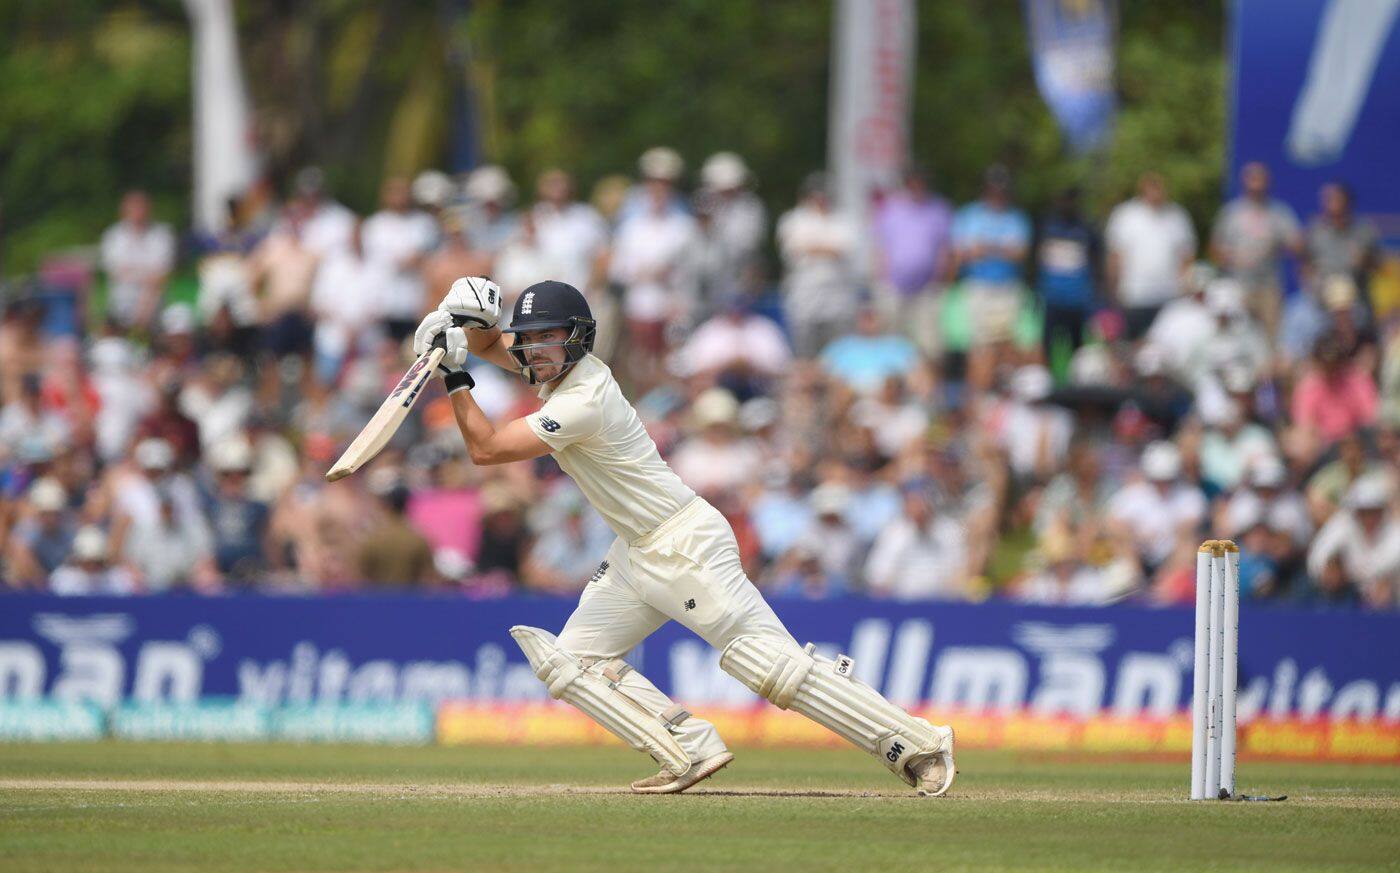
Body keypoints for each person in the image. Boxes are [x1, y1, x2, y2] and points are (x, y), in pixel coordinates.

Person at [411, 277, 956, 796]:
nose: (534, 353)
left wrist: (455, 376)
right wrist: (460, 326)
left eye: (547, 340)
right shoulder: (555, 375)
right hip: (635, 551)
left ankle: (919, 747)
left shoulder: (585, 398)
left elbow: (487, 448)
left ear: (577, 339)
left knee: (769, 665)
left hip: (683, 543)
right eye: (528, 342)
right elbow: (499, 349)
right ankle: (687, 747)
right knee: (572, 662)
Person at [1210, 162, 1303, 339]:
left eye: (1260, 179)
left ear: (1268, 182)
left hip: (1268, 286)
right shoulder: (1231, 213)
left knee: (1272, 337)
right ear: (1244, 182)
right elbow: (1215, 248)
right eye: (1252, 179)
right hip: (1238, 285)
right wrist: (1232, 258)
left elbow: (1297, 246)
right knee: (1237, 334)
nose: (1256, 184)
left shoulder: (1279, 212)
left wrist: (1279, 246)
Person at [1104, 172, 1197, 338]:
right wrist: (1113, 289)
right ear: (1143, 190)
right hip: (1134, 295)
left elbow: (1187, 257)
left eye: (1159, 188)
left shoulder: (1177, 216)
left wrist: (1186, 289)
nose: (1156, 193)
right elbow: (1115, 256)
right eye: (1151, 188)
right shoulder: (1126, 215)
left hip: (1169, 296)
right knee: (1131, 345)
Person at [100, 190, 176, 333]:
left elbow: (160, 276)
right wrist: (146, 274)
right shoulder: (113, 236)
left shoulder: (161, 235)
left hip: (155, 306)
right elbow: (116, 273)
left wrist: (145, 307)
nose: (137, 212)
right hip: (120, 305)